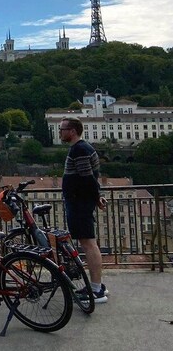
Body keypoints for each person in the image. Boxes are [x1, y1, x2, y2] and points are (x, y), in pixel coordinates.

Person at [60, 117, 108, 303]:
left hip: (79, 202)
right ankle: (96, 286)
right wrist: (97, 196)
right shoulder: (84, 148)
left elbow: (87, 178)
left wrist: (95, 198)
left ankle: (96, 290)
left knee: (88, 244)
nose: (60, 132)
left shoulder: (79, 150)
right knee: (89, 243)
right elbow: (93, 177)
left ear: (72, 131)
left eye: (63, 129)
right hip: (82, 201)